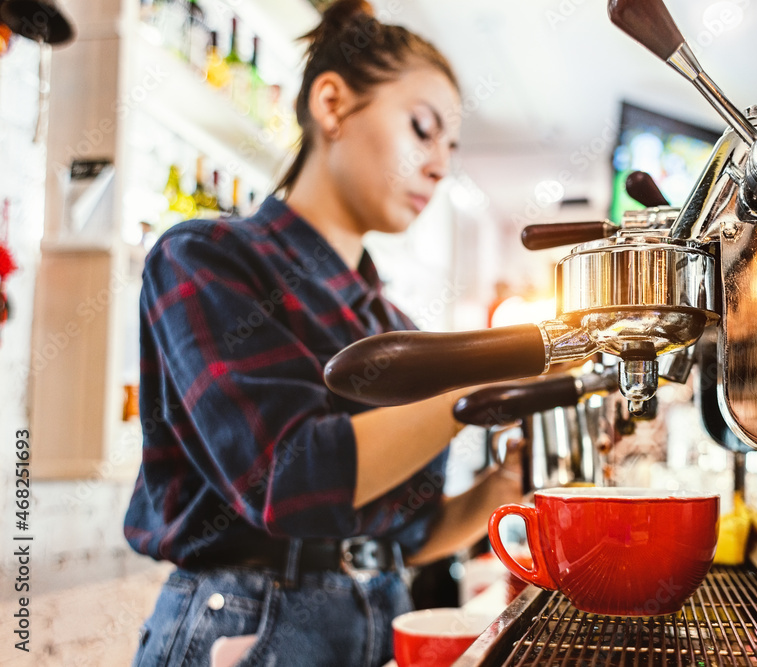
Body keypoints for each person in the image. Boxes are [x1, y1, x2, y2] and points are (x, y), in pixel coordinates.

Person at [124, 2, 523, 665]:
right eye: (423, 130)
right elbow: (287, 478)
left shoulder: (395, 328)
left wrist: (499, 489)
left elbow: (410, 531)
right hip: (251, 616)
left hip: (379, 609)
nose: (437, 166)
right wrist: (486, 373)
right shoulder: (203, 258)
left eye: (450, 148)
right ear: (332, 104)